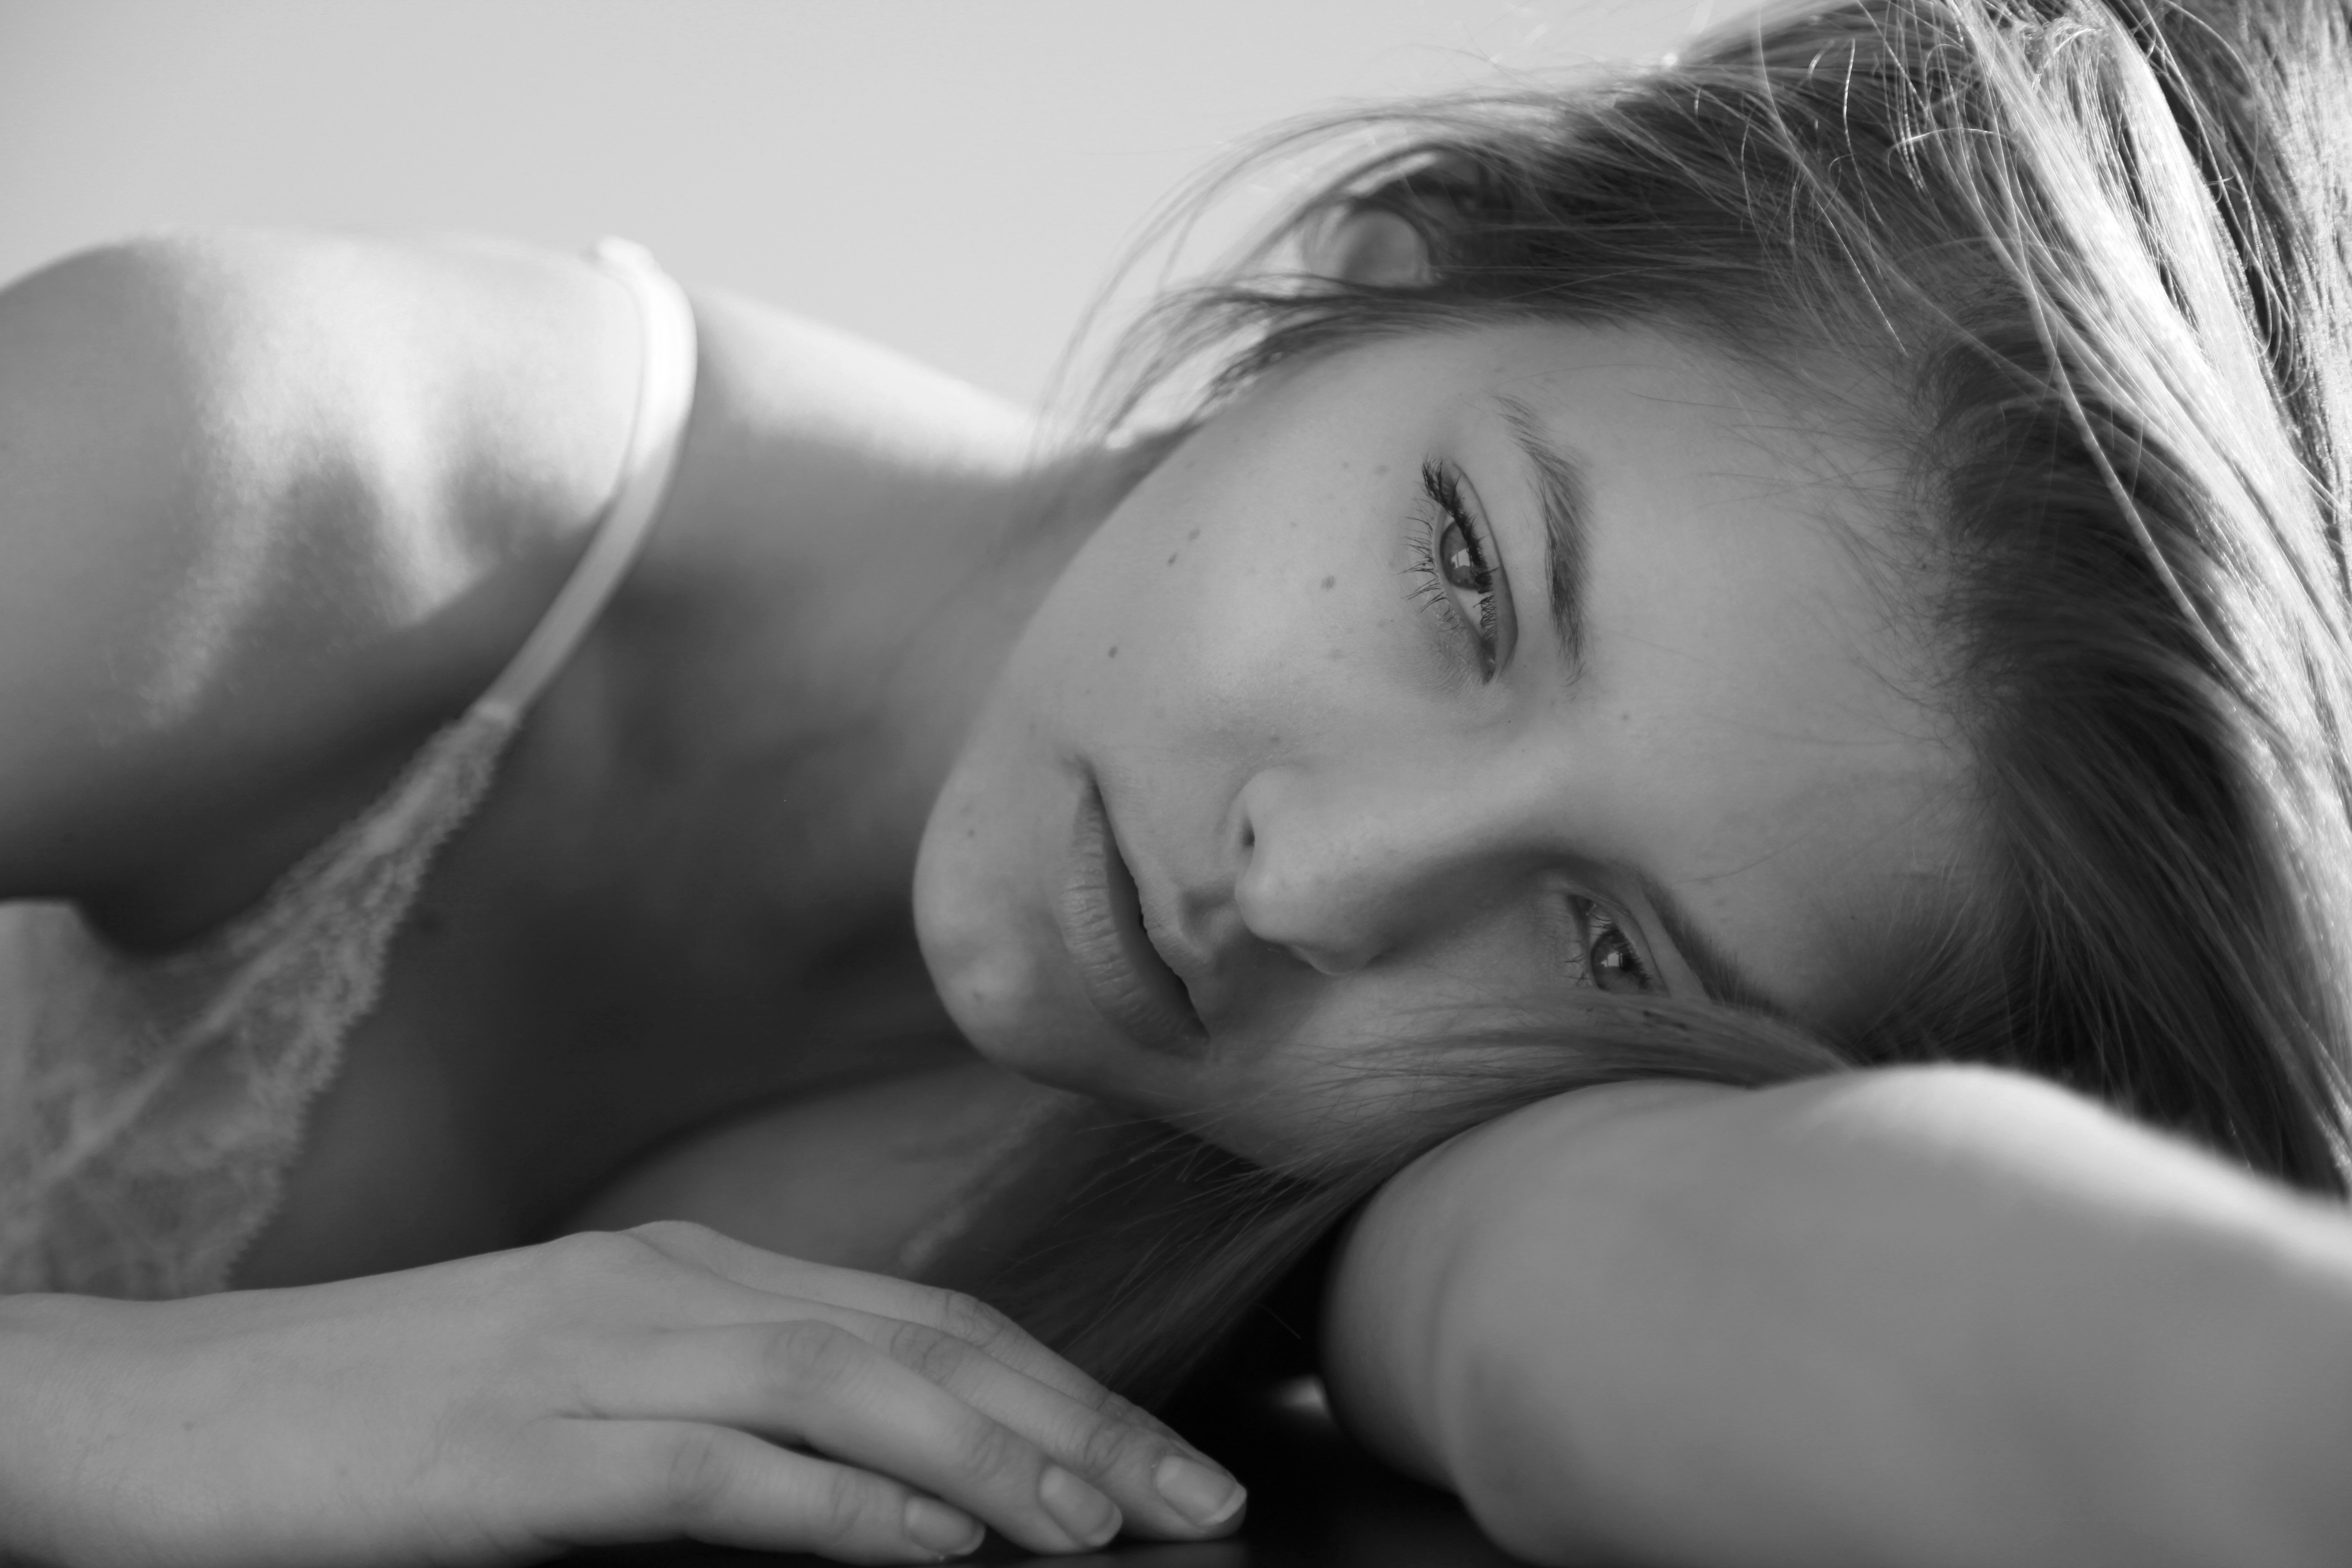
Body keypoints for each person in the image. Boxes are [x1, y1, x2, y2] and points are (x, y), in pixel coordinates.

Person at [1, 0, 2349, 1563]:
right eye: (1469, 578)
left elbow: (1884, 1281)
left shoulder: (1378, 1178)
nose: (1318, 888)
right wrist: (138, 1424)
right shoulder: (289, 463)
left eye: (1612, 942)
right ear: (1388, 269)